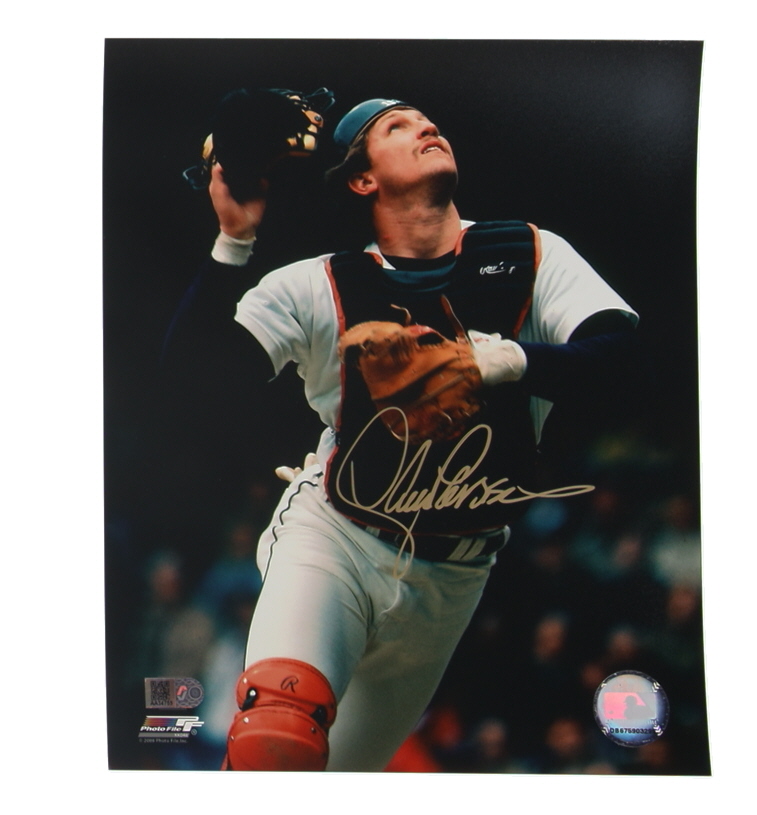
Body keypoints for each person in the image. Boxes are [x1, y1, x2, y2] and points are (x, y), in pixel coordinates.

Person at [164, 96, 639, 772]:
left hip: (452, 576)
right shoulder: (322, 282)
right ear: (363, 179)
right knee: (278, 740)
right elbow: (185, 387)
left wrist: (509, 360)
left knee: (333, 783)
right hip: (337, 538)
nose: (426, 126)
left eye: (426, 120)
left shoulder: (530, 252)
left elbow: (625, 362)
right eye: (397, 126)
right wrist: (233, 240)